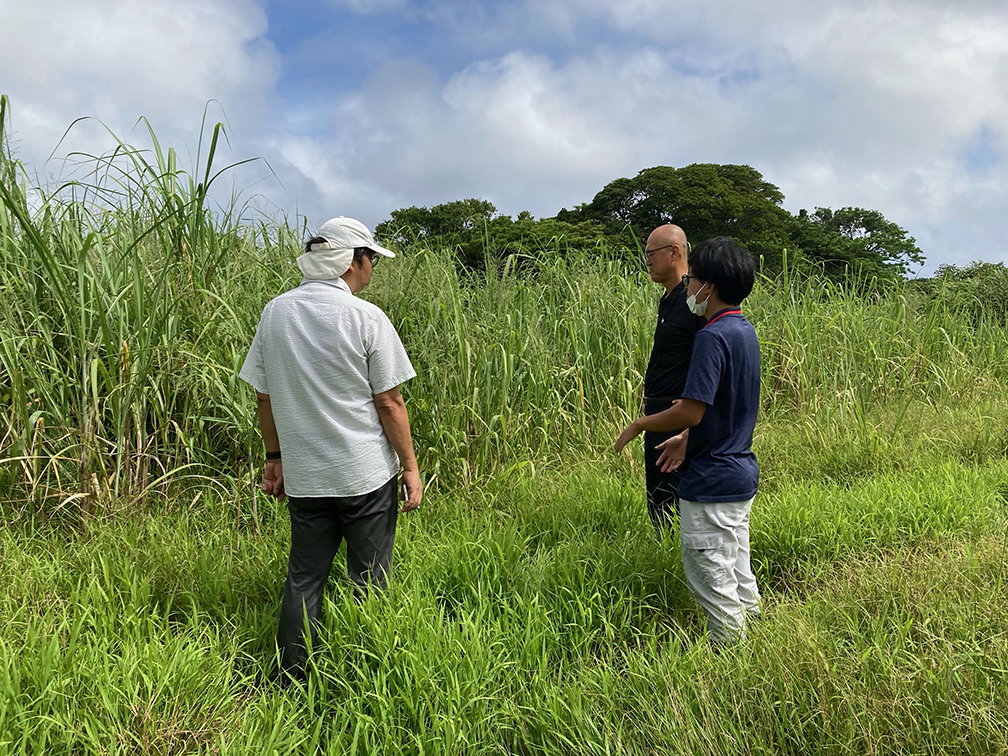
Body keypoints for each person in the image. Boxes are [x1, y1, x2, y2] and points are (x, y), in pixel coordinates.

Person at [239, 215, 423, 678]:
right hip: (364, 476)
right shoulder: (365, 317)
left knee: (304, 579)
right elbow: (389, 400)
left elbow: (264, 395)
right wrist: (411, 467)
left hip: (306, 477)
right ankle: (368, 678)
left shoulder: (275, 312)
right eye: (371, 260)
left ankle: (290, 678)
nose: (372, 270)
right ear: (352, 261)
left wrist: (274, 459)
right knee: (369, 579)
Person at [615, 237, 761, 645]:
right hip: (739, 473)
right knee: (737, 572)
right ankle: (760, 641)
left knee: (713, 585)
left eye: (693, 278)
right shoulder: (743, 330)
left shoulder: (711, 337)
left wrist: (641, 425)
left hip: (711, 479)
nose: (688, 286)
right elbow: (717, 408)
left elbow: (691, 410)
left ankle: (731, 671)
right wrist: (687, 433)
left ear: (708, 286)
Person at [640, 224, 705, 531]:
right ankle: (665, 566)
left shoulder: (693, 301)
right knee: (660, 504)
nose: (647, 261)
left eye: (651, 253)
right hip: (659, 417)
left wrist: (691, 428)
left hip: (680, 420)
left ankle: (682, 572)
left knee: (678, 510)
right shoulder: (668, 300)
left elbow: (711, 365)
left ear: (674, 252)